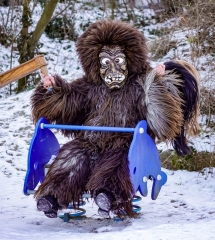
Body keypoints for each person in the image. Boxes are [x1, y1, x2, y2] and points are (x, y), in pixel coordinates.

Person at [31, 19, 200, 219]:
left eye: (118, 62)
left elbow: (159, 118)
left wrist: (156, 84)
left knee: (116, 161)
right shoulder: (89, 87)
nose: (112, 71)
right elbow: (69, 105)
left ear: (129, 60)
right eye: (105, 64)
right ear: (96, 64)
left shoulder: (139, 85)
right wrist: (52, 91)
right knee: (72, 156)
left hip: (123, 143)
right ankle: (52, 196)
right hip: (88, 143)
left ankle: (109, 195)